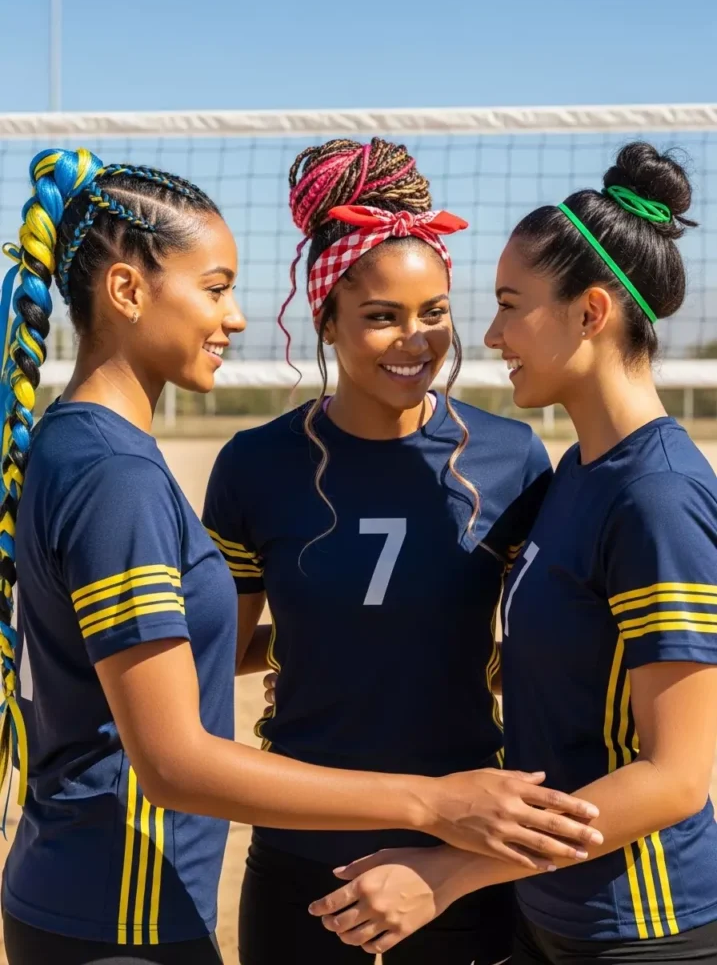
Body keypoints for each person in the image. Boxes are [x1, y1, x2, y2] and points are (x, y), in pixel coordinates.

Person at [0, 148, 601, 965]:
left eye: (435, 311)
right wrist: (435, 801)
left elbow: (197, 653)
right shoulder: (165, 471)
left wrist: (351, 644)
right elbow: (172, 754)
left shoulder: (512, 458)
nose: (235, 315)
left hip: (451, 867)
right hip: (182, 884)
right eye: (214, 289)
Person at [310, 142, 717, 964]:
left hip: (642, 923)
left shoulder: (657, 497)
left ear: (590, 313)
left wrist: (449, 873)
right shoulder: (576, 472)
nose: (488, 334)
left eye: (509, 304)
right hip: (550, 909)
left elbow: (676, 777)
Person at [202, 137, 601, 965]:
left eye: (433, 312)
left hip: (463, 853)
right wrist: (326, 644)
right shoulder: (254, 464)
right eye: (380, 316)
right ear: (326, 317)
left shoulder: (513, 457)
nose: (414, 340)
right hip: (302, 852)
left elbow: (539, 642)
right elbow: (229, 649)